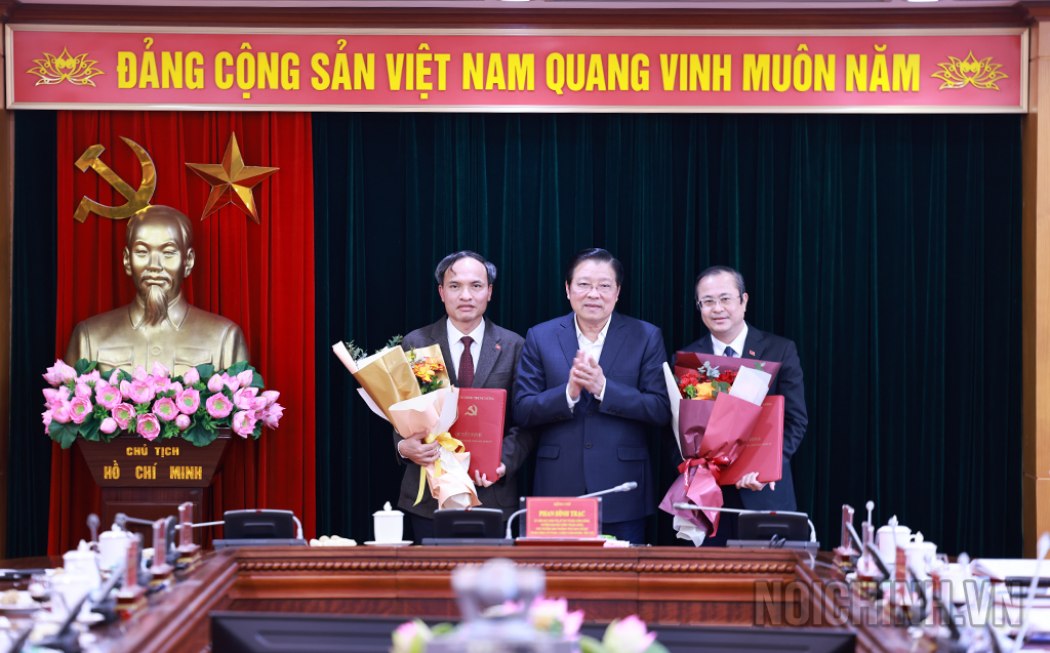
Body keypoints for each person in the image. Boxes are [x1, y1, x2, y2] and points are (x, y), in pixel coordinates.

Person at [513, 248, 670, 544]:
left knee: (620, 586)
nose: (593, 294)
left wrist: (605, 389)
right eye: (584, 284)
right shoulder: (541, 336)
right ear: (568, 289)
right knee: (557, 584)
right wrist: (568, 394)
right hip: (557, 491)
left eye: (604, 285)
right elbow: (523, 409)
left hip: (622, 489)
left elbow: (660, 408)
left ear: (618, 292)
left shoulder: (646, 336)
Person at [395, 251, 533, 542]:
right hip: (430, 495)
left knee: (493, 587)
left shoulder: (513, 346)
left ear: (490, 292)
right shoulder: (418, 343)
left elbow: (526, 421)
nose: (466, 295)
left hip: (492, 494)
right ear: (442, 292)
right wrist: (404, 447)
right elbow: (404, 412)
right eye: (455, 286)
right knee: (432, 586)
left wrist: (503, 463)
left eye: (476, 286)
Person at [678, 265, 808, 541]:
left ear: (743, 300)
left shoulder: (780, 350)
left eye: (725, 299)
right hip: (709, 500)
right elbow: (683, 427)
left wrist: (767, 468)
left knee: (767, 582)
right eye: (708, 301)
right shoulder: (690, 358)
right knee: (711, 582)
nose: (717, 309)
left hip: (764, 495)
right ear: (699, 306)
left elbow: (796, 421)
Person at [65, 205, 249, 375]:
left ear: (188, 261)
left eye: (168, 252)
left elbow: (245, 408)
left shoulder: (224, 338)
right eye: (142, 252)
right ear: (127, 260)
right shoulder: (89, 336)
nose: (154, 265)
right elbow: (66, 406)